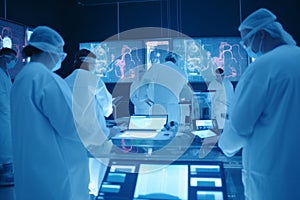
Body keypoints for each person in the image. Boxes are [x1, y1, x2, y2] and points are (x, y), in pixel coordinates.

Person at [218, 8, 300, 200]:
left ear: (261, 34)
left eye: (246, 41)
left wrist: (223, 146)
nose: (247, 47)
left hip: (271, 185)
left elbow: (239, 129)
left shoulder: (262, 67)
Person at [10, 26, 90, 200]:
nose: (61, 57)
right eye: (60, 52)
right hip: (56, 179)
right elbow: (72, 127)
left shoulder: (21, 78)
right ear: (49, 51)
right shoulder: (46, 78)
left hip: (30, 178)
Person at [65, 49, 113, 197]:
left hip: (72, 138)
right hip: (96, 138)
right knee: (95, 181)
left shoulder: (65, 81)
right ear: (89, 62)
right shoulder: (94, 80)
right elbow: (107, 109)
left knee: (76, 180)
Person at [141, 52, 189, 123]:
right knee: (173, 130)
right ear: (176, 61)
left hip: (158, 107)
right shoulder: (182, 73)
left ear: (165, 59)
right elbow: (185, 92)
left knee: (158, 130)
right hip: (174, 107)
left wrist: (144, 97)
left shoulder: (157, 67)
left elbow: (144, 81)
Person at [0, 47, 17, 186]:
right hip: (3, 116)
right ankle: (6, 172)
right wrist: (8, 112)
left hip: (6, 115)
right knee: (5, 142)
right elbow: (2, 98)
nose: (14, 63)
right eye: (12, 59)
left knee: (6, 141)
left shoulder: (4, 73)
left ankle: (7, 170)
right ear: (4, 58)